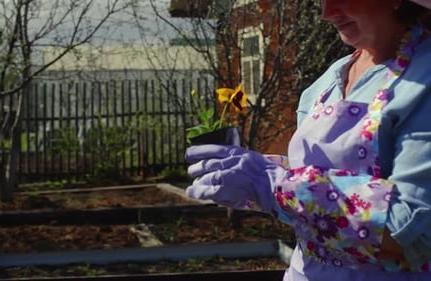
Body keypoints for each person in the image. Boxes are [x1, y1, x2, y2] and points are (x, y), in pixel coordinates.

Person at [184, 0, 431, 280]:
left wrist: (276, 187)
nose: (328, 13)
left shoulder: (423, 80)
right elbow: (317, 178)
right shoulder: (328, 82)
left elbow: (409, 233)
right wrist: (255, 176)